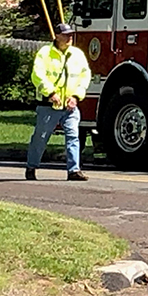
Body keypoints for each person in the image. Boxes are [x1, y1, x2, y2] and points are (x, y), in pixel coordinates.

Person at [26, 23, 92, 181]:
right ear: (57, 36)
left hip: (70, 106)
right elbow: (37, 75)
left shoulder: (77, 54)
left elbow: (85, 75)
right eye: (66, 35)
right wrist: (50, 93)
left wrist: (76, 96)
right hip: (49, 106)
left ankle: (74, 170)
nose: (70, 37)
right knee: (40, 137)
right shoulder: (45, 53)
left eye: (71, 34)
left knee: (73, 136)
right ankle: (31, 166)